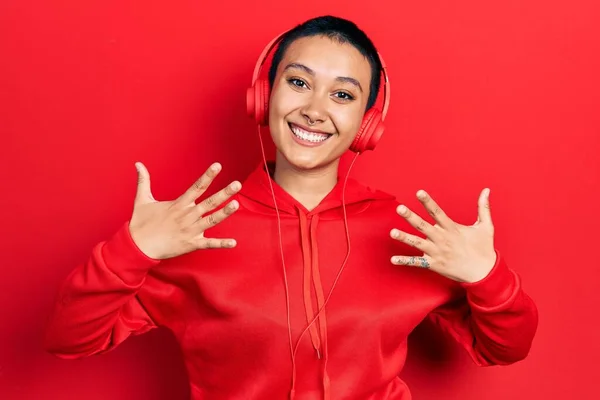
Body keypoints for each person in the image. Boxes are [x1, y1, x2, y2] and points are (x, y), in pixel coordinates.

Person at [44, 15, 538, 400]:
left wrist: (486, 275)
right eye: (298, 82)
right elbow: (69, 338)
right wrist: (134, 250)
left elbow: (505, 349)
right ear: (265, 96)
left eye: (342, 94)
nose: (315, 109)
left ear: (367, 123)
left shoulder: (407, 233)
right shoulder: (196, 227)